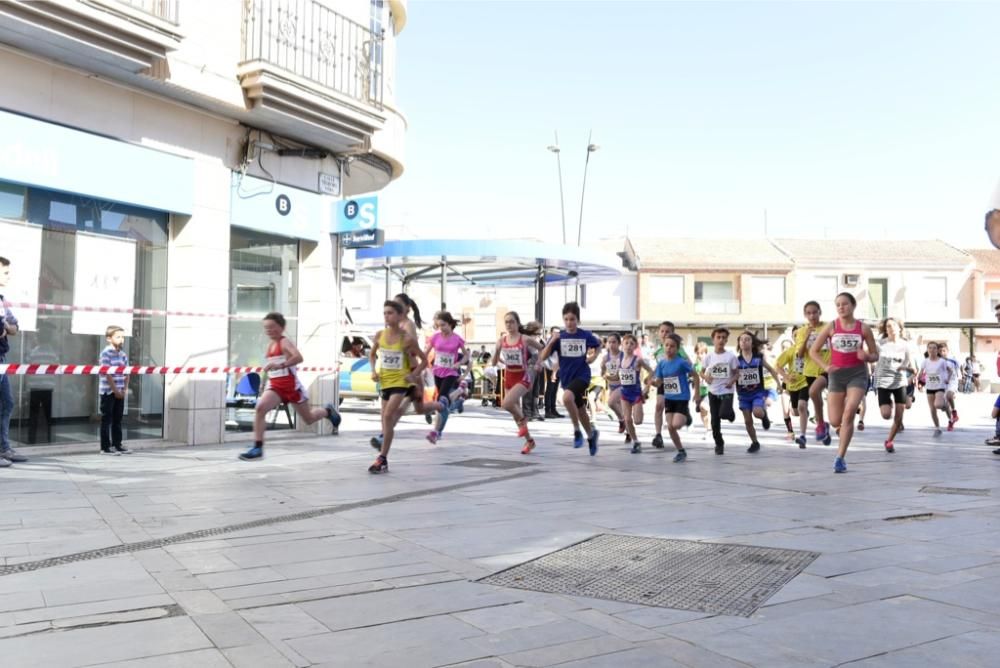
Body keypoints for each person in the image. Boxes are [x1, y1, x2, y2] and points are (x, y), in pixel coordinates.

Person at [239, 312, 341, 461]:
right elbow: (271, 367)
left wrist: (281, 364)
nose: (269, 330)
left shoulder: (284, 342)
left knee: (309, 418)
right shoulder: (269, 345)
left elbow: (299, 357)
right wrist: (263, 381)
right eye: (266, 328)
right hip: (275, 387)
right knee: (260, 409)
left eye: (272, 327)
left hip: (291, 387)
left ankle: (327, 411)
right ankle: (258, 447)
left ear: (281, 327)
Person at [368, 301, 448, 473]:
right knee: (386, 420)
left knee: (389, 415)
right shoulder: (380, 335)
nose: (386, 316)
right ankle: (384, 457)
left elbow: (424, 360)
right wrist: (373, 370)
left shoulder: (407, 338)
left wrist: (414, 375)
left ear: (399, 316)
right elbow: (372, 354)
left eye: (390, 313)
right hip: (385, 381)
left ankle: (381, 458)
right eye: (384, 313)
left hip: (401, 382)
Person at [809, 292, 879, 474]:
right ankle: (825, 425)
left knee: (849, 413)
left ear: (853, 306)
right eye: (838, 304)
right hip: (837, 376)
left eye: (845, 304)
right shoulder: (832, 326)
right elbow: (813, 351)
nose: (841, 307)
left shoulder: (863, 329)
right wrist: (825, 366)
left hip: (857, 374)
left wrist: (867, 356)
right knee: (835, 420)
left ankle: (840, 458)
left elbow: (875, 355)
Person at [536, 302, 602, 455]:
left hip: (582, 375)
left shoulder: (585, 335)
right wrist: (552, 340)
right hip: (567, 377)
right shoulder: (560, 337)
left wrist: (593, 357)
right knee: (580, 409)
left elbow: (598, 345)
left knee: (566, 398)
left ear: (577, 320)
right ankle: (592, 436)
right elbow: (543, 356)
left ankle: (577, 431)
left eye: (572, 319)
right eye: (566, 319)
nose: (569, 322)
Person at [492, 312, 543, 453]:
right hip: (509, 377)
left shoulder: (525, 339)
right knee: (515, 414)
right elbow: (494, 362)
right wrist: (496, 351)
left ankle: (524, 419)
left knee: (506, 404)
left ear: (517, 323)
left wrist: (538, 363)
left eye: (512, 322)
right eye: (507, 322)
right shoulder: (502, 340)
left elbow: (543, 349)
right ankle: (529, 442)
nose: (509, 325)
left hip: (523, 377)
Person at [651, 334, 700, 462]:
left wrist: (697, 393)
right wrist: (653, 383)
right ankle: (681, 451)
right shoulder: (662, 364)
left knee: (676, 424)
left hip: (682, 397)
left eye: (672, 346)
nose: (669, 348)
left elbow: (695, 376)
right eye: (666, 345)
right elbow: (659, 381)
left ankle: (686, 416)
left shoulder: (681, 363)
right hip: (669, 398)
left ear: (678, 349)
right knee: (671, 427)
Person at [424, 311, 467, 444]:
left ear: (450, 324)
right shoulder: (435, 337)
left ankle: (435, 432)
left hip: (450, 373)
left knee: (442, 401)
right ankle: (460, 392)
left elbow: (466, 356)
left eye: (443, 325)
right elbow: (426, 352)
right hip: (437, 372)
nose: (441, 328)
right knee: (444, 403)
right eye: (439, 326)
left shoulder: (457, 339)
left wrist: (459, 363)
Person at [874, 317, 915, 453]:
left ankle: (889, 440)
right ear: (885, 330)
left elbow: (912, 366)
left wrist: (907, 370)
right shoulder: (880, 344)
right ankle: (889, 404)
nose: (891, 328)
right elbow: (871, 356)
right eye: (888, 326)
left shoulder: (906, 345)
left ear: (899, 328)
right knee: (886, 415)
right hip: (883, 381)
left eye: (893, 325)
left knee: (898, 417)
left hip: (899, 382)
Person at [0, 256, 26, 466]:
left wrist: (6, 328)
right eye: (6, 272)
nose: (9, 276)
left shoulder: (1, 300)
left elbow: (14, 328)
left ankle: (4, 448)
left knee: (7, 402)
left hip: (2, 358)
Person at [735, 331, 780, 454]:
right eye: (742, 340)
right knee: (748, 421)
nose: (744, 341)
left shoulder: (758, 358)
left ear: (752, 343)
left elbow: (771, 369)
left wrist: (779, 384)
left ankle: (764, 415)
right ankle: (755, 442)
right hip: (743, 395)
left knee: (757, 413)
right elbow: (732, 375)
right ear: (739, 343)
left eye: (747, 339)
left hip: (757, 392)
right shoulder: (736, 360)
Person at [796, 301, 833, 446]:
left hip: (827, 368)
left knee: (813, 392)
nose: (812, 316)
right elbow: (799, 355)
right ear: (805, 315)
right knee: (815, 395)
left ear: (820, 312)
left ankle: (821, 425)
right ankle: (823, 425)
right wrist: (806, 336)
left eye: (814, 312)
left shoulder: (828, 327)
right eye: (809, 313)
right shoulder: (801, 331)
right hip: (809, 371)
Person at [651, 321, 690, 448]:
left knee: (670, 414)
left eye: (667, 331)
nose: (664, 334)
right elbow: (658, 368)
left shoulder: (678, 348)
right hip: (663, 381)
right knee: (658, 405)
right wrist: (649, 381)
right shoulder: (657, 352)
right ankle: (658, 435)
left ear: (672, 333)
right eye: (662, 331)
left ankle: (684, 413)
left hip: (677, 383)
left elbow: (688, 362)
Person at [701, 327, 738, 454]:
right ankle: (719, 443)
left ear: (727, 340)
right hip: (713, 392)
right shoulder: (709, 357)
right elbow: (700, 371)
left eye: (723, 338)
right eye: (718, 337)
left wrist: (731, 381)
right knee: (714, 421)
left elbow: (737, 373)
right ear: (713, 339)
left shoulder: (730, 357)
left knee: (724, 414)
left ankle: (730, 414)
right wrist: (706, 377)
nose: (721, 340)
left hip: (727, 391)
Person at [618, 333, 654, 452]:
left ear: (635, 347)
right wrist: (609, 377)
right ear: (622, 345)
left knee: (638, 421)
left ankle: (636, 436)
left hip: (636, 394)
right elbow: (617, 376)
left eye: (631, 344)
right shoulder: (619, 360)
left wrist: (647, 387)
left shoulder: (638, 360)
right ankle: (636, 441)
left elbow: (651, 372)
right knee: (627, 419)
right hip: (624, 394)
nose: (628, 346)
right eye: (626, 343)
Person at [99, 325, 131, 455]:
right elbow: (107, 374)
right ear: (109, 338)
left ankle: (117, 444)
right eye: (118, 337)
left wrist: (124, 390)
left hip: (120, 391)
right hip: (108, 392)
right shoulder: (105, 354)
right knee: (107, 419)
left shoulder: (123, 354)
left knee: (118, 419)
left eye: (123, 337)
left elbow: (127, 373)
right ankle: (105, 448)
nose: (121, 339)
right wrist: (115, 390)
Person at [774, 332, 810, 448]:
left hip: (806, 382)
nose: (798, 338)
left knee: (801, 406)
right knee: (794, 412)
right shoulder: (789, 351)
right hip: (791, 385)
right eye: (796, 336)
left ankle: (802, 436)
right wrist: (785, 376)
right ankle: (801, 413)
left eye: (801, 335)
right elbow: (777, 366)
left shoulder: (811, 349)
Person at [916, 341, 953, 438]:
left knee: (938, 405)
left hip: (940, 386)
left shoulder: (942, 361)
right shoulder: (925, 361)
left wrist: (947, 379)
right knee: (932, 409)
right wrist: (917, 379)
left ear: (937, 350)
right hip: (929, 387)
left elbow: (950, 370)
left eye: (934, 348)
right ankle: (937, 428)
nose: (932, 350)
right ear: (927, 350)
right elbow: (921, 373)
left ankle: (945, 405)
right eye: (930, 348)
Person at [600, 333, 626, 435]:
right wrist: (603, 371)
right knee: (621, 409)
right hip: (612, 385)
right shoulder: (606, 357)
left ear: (619, 343)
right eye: (609, 342)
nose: (611, 344)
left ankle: (622, 421)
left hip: (623, 385)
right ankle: (628, 430)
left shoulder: (623, 355)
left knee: (610, 403)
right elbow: (602, 372)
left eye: (614, 342)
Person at [938, 342, 960, 429]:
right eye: (940, 351)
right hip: (942, 384)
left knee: (949, 395)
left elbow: (956, 371)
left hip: (952, 382)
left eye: (944, 350)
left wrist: (961, 379)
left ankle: (954, 412)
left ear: (947, 351)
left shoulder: (953, 360)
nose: (942, 352)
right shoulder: (938, 361)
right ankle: (951, 420)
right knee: (944, 406)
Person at [692, 341, 711, 437]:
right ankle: (707, 428)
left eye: (702, 353)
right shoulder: (695, 366)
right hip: (700, 392)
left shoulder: (710, 364)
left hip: (709, 391)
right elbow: (692, 379)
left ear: (706, 353)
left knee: (704, 407)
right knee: (702, 412)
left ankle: (710, 427)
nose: (700, 355)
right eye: (698, 353)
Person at [542, 326, 562, 418]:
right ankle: (548, 410)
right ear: (551, 332)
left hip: (558, 367)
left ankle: (553, 409)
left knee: (554, 389)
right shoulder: (550, 342)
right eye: (554, 332)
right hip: (551, 367)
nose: (556, 334)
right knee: (550, 389)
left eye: (558, 332)